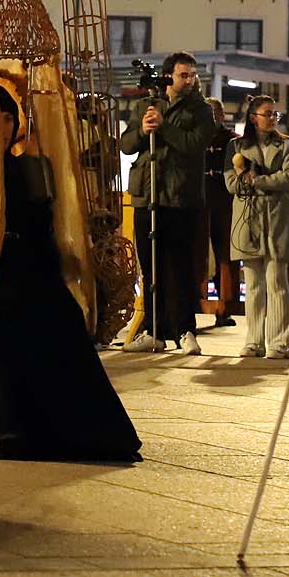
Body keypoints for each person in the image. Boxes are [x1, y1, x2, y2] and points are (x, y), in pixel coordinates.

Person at [0, 87, 141, 460]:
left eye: (8, 117)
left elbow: (44, 226)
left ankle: (76, 429)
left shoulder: (30, 167)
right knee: (1, 322)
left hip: (32, 265)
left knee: (62, 318)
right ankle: (2, 425)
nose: (1, 126)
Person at [118, 52, 214, 354]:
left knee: (181, 267)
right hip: (148, 196)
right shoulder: (146, 105)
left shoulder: (201, 110)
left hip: (180, 198)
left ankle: (185, 330)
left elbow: (193, 144)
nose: (189, 80)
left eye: (192, 75)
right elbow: (126, 145)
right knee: (151, 268)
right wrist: (142, 130)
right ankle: (153, 330)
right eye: (183, 75)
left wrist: (165, 128)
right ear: (169, 76)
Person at [224, 95, 289, 359]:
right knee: (253, 283)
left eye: (274, 114)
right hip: (248, 219)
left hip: (278, 218)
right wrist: (250, 179)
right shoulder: (235, 146)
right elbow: (231, 185)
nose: (272, 118)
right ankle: (253, 341)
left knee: (277, 280)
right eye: (267, 114)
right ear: (253, 117)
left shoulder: (287, 144)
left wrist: (258, 180)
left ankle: (280, 343)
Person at [200, 98, 238, 329]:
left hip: (225, 202)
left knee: (226, 256)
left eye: (215, 113)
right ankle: (195, 305)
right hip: (199, 200)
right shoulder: (196, 137)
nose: (212, 117)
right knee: (198, 254)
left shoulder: (232, 140)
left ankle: (225, 308)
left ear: (223, 115)